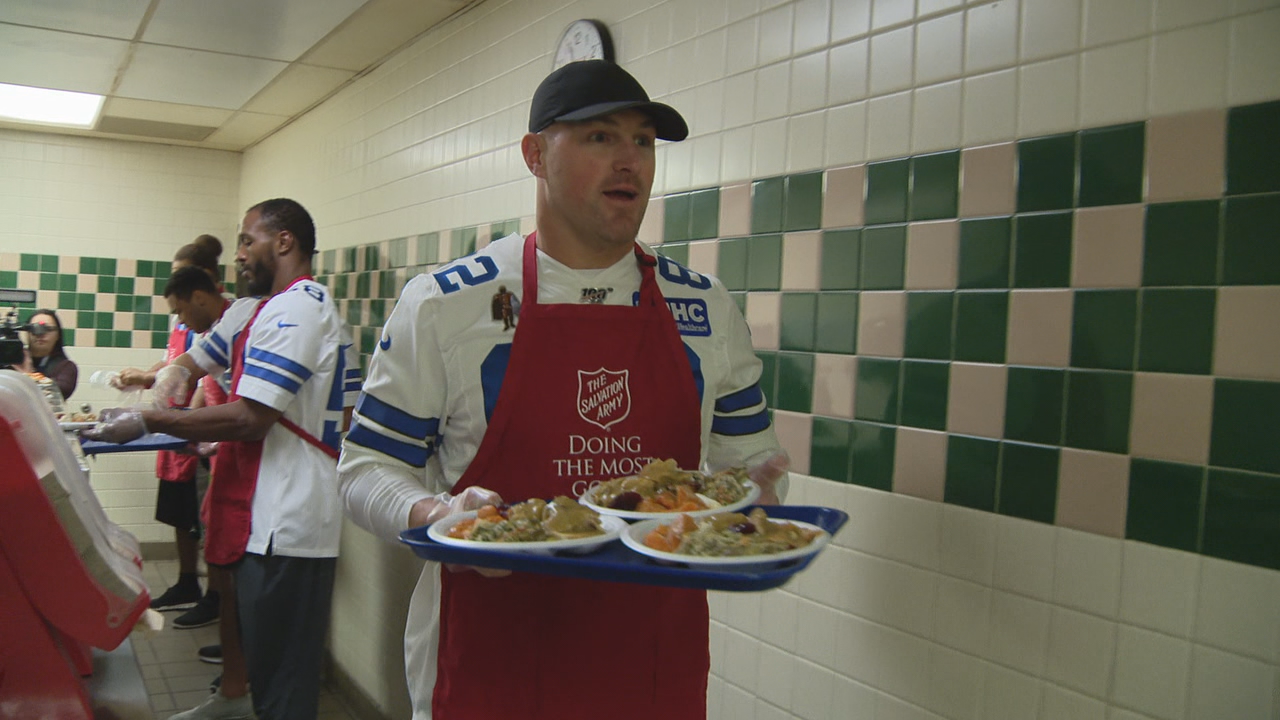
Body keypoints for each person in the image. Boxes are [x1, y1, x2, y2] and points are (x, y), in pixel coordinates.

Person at [337, 60, 788, 720]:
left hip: (654, 671)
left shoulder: (705, 307)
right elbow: (364, 471)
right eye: (600, 137)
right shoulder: (450, 304)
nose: (629, 160)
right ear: (535, 154)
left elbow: (747, 468)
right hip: (491, 668)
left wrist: (760, 497)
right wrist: (436, 516)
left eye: (643, 140)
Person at [86, 198, 360, 720]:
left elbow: (250, 418)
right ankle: (234, 703)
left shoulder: (300, 308)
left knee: (283, 680)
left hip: (290, 519)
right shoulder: (255, 308)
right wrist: (168, 378)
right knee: (258, 654)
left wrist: (150, 421)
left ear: (284, 242)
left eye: (246, 240)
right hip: (260, 512)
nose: (237, 255)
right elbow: (197, 358)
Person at [159, 265, 255, 720]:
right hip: (225, 458)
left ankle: (247, 677)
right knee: (222, 559)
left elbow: (248, 408)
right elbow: (199, 377)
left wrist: (164, 420)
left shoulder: (251, 319)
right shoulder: (221, 331)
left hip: (251, 467)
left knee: (240, 572)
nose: (182, 322)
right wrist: (159, 386)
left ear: (200, 296)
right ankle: (235, 679)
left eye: (182, 311)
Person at [115, 235, 225, 629]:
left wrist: (167, 404)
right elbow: (177, 367)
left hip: (214, 437)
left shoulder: (227, 323)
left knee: (212, 521)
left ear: (202, 285)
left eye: (180, 284)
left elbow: (204, 383)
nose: (177, 314)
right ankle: (188, 583)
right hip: (190, 429)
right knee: (185, 513)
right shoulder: (190, 321)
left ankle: (217, 598)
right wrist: (149, 387)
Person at [21, 309, 77, 400]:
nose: (40, 334)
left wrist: (27, 375)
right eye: (34, 328)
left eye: (48, 329)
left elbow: (60, 391)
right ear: (27, 333)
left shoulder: (66, 367)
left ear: (57, 335)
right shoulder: (13, 362)